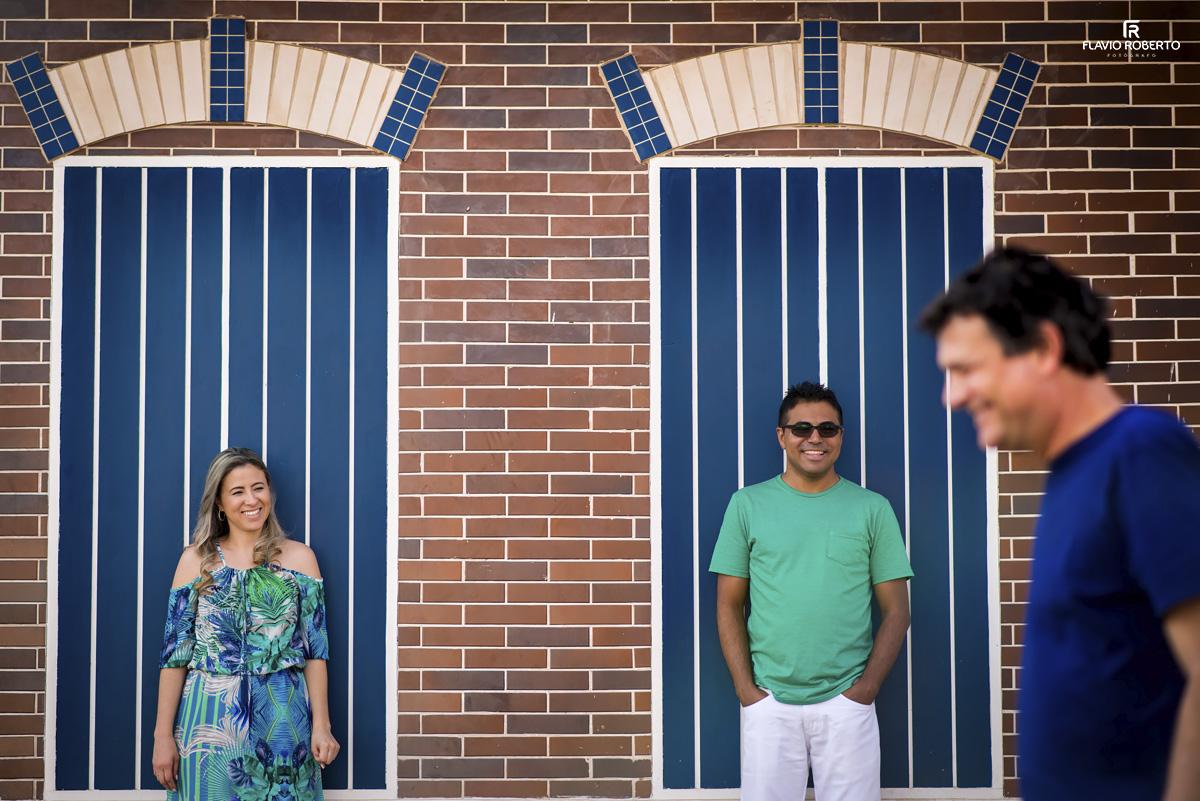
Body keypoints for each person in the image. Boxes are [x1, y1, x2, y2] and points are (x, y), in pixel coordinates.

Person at [919, 247, 1200, 801]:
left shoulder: (1140, 451)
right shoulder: (1074, 471)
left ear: (1045, 348)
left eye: (966, 369)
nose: (951, 397)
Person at [709, 381, 913, 801]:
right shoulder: (746, 505)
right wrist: (748, 693)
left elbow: (897, 612)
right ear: (781, 436)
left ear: (841, 436)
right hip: (769, 703)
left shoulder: (872, 509)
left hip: (846, 704)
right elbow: (728, 605)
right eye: (801, 428)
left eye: (828, 428)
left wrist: (865, 691)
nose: (814, 438)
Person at [152, 447, 339, 800]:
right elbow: (175, 656)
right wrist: (163, 736)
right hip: (208, 717)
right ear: (220, 503)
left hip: (284, 716)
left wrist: (322, 726)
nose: (251, 500)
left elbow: (316, 651)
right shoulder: (195, 561)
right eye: (237, 491)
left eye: (259, 487)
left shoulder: (301, 559)